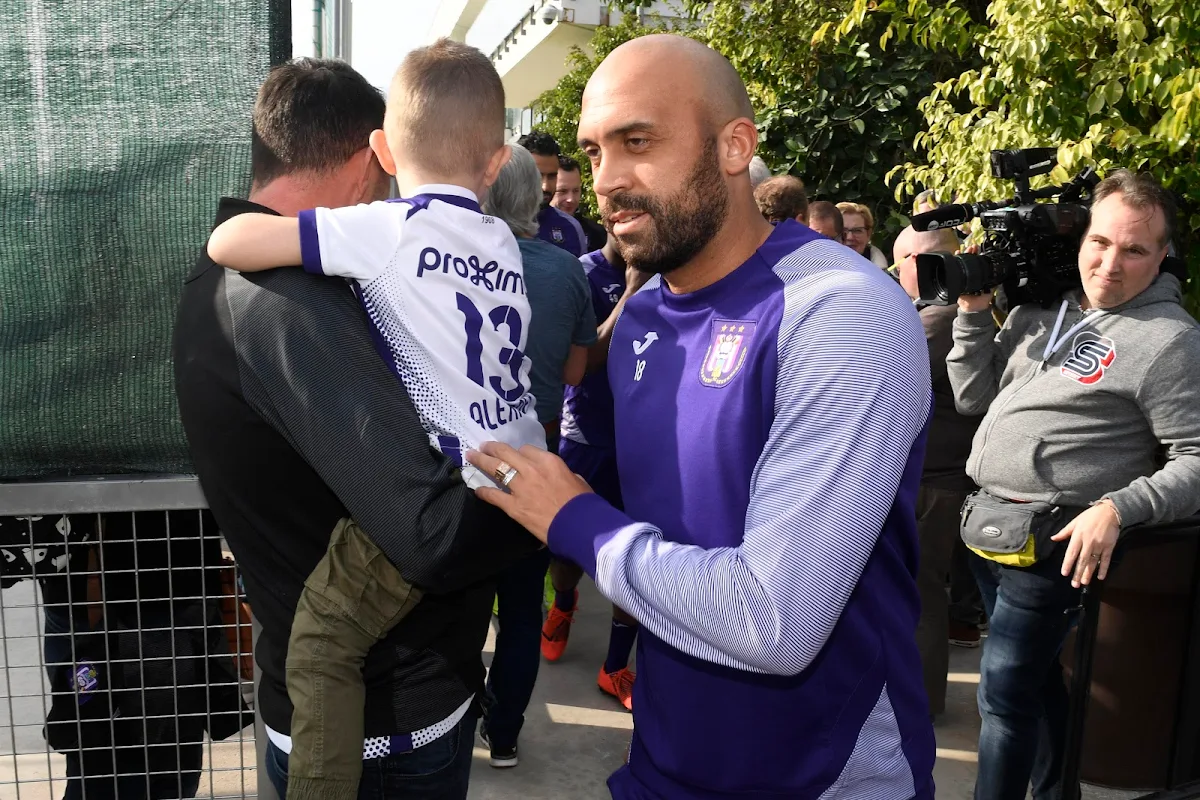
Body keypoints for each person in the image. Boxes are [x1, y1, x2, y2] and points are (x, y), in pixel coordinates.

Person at [465, 33, 937, 799]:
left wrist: (572, 520)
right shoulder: (645, 307)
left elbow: (772, 622)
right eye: (593, 152)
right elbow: (602, 479)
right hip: (664, 761)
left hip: (824, 779)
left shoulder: (840, 314)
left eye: (638, 141)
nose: (609, 179)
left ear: (734, 145)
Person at [174, 56, 537, 800]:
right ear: (364, 158)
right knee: (324, 648)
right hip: (389, 729)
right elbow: (433, 536)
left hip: (354, 695)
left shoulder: (229, 289)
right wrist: (539, 514)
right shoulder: (291, 305)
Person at [947, 169, 1200, 800]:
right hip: (985, 528)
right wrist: (975, 314)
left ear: (1163, 255)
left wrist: (1119, 508)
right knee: (1035, 685)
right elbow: (972, 395)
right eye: (1100, 243)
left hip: (1052, 542)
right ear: (1082, 238)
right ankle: (1059, 788)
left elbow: (1196, 457)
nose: (1111, 265)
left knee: (1002, 696)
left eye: (1135, 249)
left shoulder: (1171, 341)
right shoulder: (1043, 312)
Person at [475, 144, 596, 768]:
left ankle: (461, 716)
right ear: (538, 198)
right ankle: (506, 734)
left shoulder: (451, 265)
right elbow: (577, 369)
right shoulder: (565, 268)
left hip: (464, 459)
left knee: (463, 603)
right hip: (535, 461)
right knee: (524, 609)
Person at [542, 232, 647, 712]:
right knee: (564, 549)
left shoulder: (673, 270)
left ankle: (614, 665)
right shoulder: (582, 273)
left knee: (639, 551)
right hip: (585, 435)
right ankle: (564, 605)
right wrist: (632, 292)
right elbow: (584, 363)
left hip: (641, 440)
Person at [893, 225, 983, 717]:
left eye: (902, 260)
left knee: (921, 594)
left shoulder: (933, 324)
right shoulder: (952, 317)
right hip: (943, 477)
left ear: (923, 265)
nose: (894, 271)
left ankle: (920, 703)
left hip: (932, 480)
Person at [518, 130, 587, 256]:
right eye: (537, 176)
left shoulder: (571, 228)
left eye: (552, 176)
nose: (545, 186)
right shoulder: (493, 222)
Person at [553, 155, 608, 252]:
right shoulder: (530, 230)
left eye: (576, 191)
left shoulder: (596, 234)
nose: (571, 199)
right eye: (562, 191)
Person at [839, 201, 890, 269]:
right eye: (843, 230)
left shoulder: (881, 272)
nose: (849, 237)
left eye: (857, 231)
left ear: (868, 234)